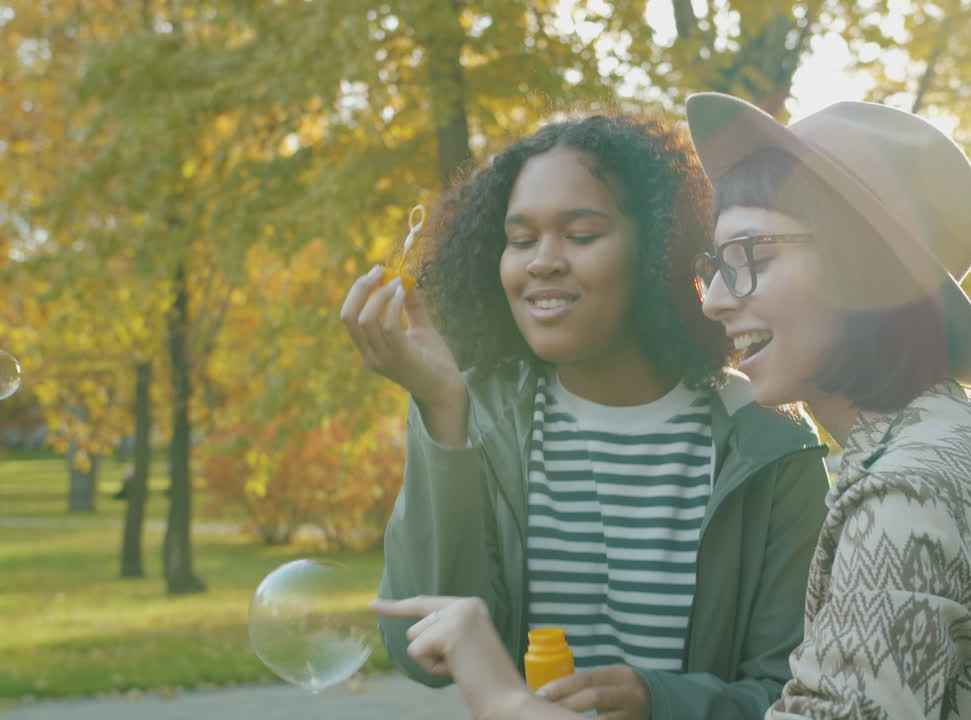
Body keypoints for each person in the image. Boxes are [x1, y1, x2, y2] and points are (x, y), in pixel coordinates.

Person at [376, 94, 971, 719]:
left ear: (863, 272)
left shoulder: (906, 491)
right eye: (716, 263)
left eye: (750, 258)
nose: (712, 299)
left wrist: (503, 694)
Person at [346, 112, 830, 720]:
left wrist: (661, 701)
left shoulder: (766, 437)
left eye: (581, 234)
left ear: (658, 247)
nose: (542, 262)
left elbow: (795, 695)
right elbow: (420, 654)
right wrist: (442, 410)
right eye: (520, 241)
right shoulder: (475, 414)